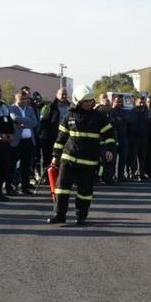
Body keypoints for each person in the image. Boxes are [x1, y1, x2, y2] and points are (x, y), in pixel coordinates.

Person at [47, 85, 116, 225]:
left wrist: (109, 149)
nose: (89, 103)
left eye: (91, 100)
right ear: (78, 101)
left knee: (85, 191)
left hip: (89, 161)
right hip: (69, 158)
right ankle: (59, 215)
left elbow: (110, 135)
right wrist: (55, 155)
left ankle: (81, 216)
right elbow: (61, 138)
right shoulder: (69, 115)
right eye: (86, 101)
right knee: (62, 188)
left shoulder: (99, 117)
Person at [9, 90, 38, 195]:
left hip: (28, 141)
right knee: (13, 165)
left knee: (26, 166)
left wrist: (23, 123)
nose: (24, 101)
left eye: (26, 99)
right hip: (17, 141)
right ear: (16, 99)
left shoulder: (30, 109)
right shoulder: (11, 108)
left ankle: (24, 187)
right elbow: (14, 118)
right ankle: (12, 186)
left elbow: (34, 123)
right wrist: (27, 120)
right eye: (21, 99)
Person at [39, 88, 71, 182]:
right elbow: (43, 121)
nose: (64, 96)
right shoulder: (49, 106)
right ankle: (47, 178)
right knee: (49, 157)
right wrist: (44, 135)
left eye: (65, 94)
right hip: (51, 136)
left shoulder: (70, 107)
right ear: (57, 95)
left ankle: (61, 177)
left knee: (64, 158)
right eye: (62, 94)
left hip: (66, 137)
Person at [108, 95, 130, 181]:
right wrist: (120, 120)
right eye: (118, 101)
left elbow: (129, 120)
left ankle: (121, 175)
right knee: (113, 159)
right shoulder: (111, 112)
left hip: (124, 138)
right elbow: (113, 123)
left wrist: (120, 119)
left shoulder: (124, 111)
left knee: (123, 159)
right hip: (114, 138)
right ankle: (112, 175)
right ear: (113, 101)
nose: (120, 103)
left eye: (121, 101)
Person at [128, 96, 149, 181]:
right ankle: (132, 174)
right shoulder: (132, 112)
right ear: (136, 102)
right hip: (134, 138)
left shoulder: (146, 112)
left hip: (144, 138)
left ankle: (141, 174)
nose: (141, 104)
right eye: (140, 102)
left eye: (143, 102)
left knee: (142, 158)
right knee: (133, 158)